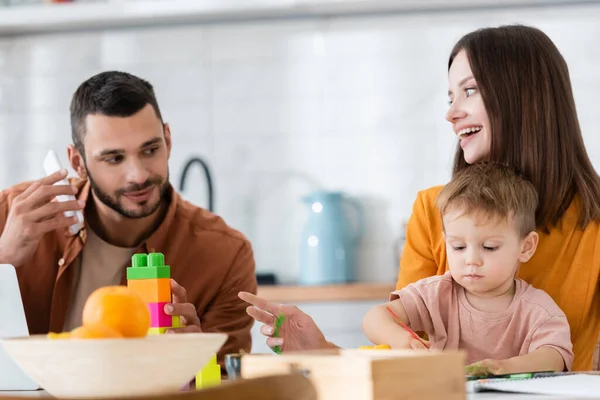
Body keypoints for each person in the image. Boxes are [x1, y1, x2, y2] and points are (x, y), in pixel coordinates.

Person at [239, 24, 600, 371]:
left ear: (525, 95)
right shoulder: (432, 211)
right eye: (450, 97)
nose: (451, 113)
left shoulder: (593, 224)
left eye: (470, 90)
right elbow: (402, 354)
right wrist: (324, 353)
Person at [0, 71, 257, 361]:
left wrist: (197, 364)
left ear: (168, 140)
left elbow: (229, 384)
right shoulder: (9, 214)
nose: (138, 175)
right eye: (114, 158)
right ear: (77, 162)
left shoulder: (226, 255)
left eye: (150, 150)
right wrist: (3, 262)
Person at [362, 162, 574, 375]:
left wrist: (506, 367)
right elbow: (374, 317)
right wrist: (402, 341)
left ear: (526, 247)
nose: (471, 259)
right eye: (459, 247)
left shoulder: (538, 309)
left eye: (489, 247)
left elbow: (555, 355)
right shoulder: (436, 293)